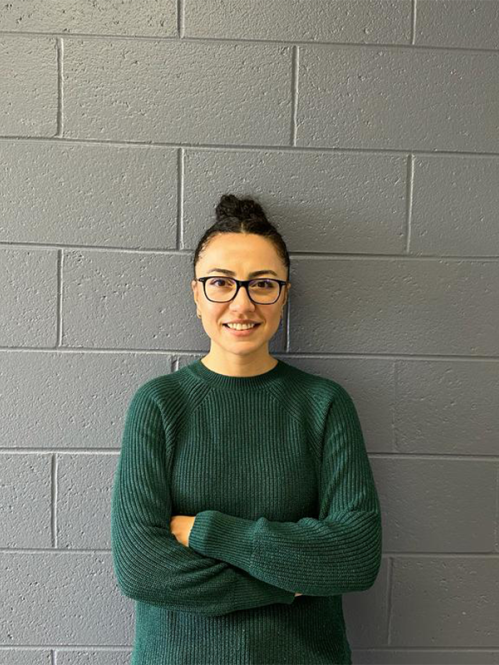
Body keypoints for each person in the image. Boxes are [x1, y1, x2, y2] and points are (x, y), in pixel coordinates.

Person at [110, 194, 383, 664]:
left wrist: (208, 533)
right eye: (221, 283)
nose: (242, 303)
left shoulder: (323, 404)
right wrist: (287, 582)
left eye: (262, 284)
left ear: (284, 294)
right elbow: (142, 568)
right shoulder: (159, 404)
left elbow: (354, 556)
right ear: (196, 293)